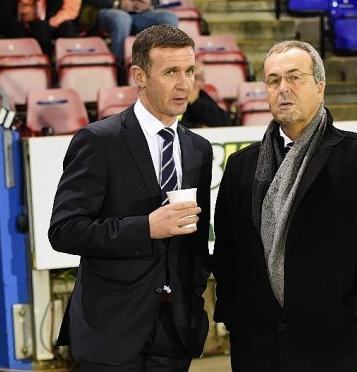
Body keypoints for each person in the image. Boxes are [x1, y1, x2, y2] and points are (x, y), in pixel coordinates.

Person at [212, 40, 357, 372]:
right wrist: (237, 317)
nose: (283, 89)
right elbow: (228, 253)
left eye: (295, 77)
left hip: (341, 346)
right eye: (273, 80)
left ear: (320, 87)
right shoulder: (240, 166)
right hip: (260, 348)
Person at [49, 24, 212, 371]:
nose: (184, 84)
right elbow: (64, 229)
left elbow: (197, 240)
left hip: (176, 332)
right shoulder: (98, 141)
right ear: (139, 75)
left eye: (190, 71)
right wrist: (145, 228)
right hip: (111, 330)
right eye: (170, 72)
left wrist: (193, 301)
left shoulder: (199, 148)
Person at [81, 0, 178, 63]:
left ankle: (168, 63)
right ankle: (120, 67)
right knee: (122, 19)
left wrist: (150, 3)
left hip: (140, 14)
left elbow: (157, 2)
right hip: (108, 10)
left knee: (169, 18)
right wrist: (117, 3)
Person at [180, 59, 232, 128]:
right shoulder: (171, 97)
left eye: (199, 78)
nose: (196, 82)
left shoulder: (201, 96)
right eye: (193, 77)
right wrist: (199, 127)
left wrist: (196, 101)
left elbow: (225, 122)